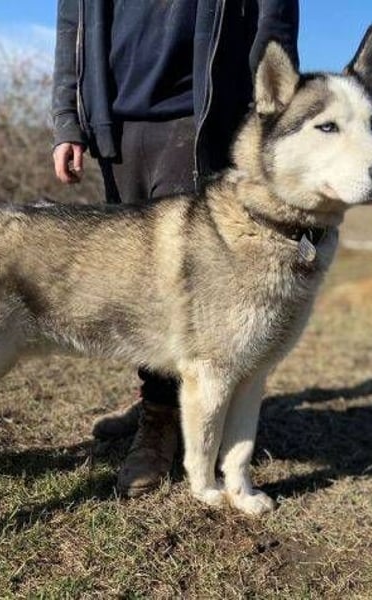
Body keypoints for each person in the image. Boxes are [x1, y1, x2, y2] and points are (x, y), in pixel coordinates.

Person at [51, 0, 299, 497]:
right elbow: (72, 21)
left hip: (200, 112)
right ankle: (156, 401)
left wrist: (273, 103)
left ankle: (163, 422)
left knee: (185, 292)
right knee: (141, 285)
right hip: (113, 122)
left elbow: (275, 15)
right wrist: (67, 121)